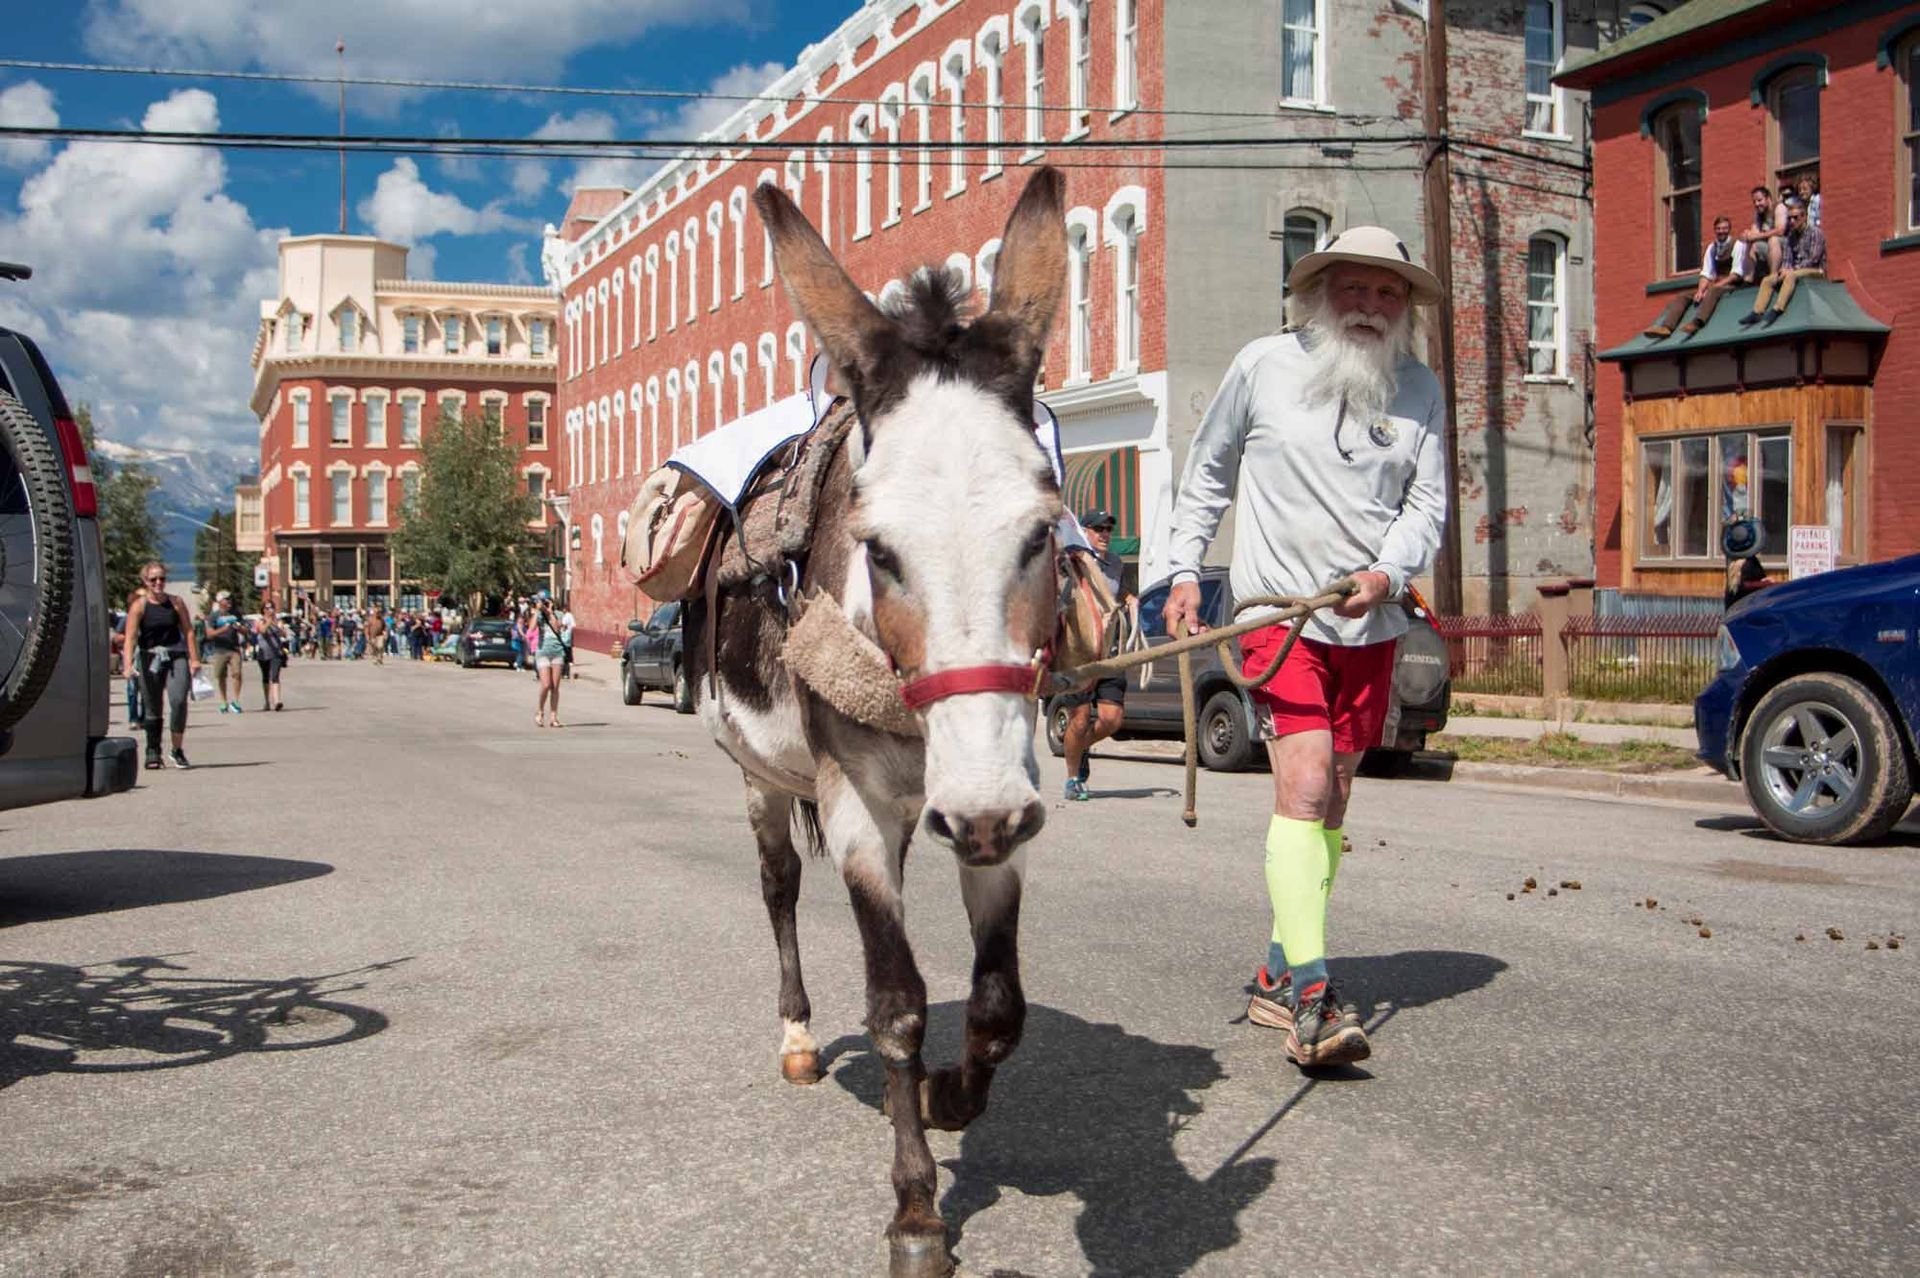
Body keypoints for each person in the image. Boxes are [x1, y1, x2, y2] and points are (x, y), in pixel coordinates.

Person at [1164, 227, 1447, 1069]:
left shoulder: (1420, 388)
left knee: (1336, 798)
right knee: (1309, 780)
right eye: (1354, 289)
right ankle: (1311, 1000)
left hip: (1371, 623)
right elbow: (1208, 472)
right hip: (1275, 617)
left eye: (1387, 293)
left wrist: (1390, 575)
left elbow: (1426, 507)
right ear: (1320, 295)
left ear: (1403, 308)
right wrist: (1183, 569)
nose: (1370, 306)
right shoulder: (1262, 365)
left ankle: (1275, 968)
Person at [1062, 510, 1132, 801]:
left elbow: (1118, 593)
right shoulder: (1075, 561)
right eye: (1098, 528)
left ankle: (1079, 748)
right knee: (1078, 720)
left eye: (1108, 529)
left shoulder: (1115, 564)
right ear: (1086, 532)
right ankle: (1072, 777)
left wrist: (1130, 598)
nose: (1105, 534)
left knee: (1112, 719)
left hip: (1110, 651)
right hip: (1079, 652)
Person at [121, 561, 202, 769]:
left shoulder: (176, 602)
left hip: (176, 655)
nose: (158, 583)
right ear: (146, 581)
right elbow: (130, 638)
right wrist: (127, 665)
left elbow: (189, 631)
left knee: (178, 700)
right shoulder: (139, 606)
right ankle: (153, 750)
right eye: (153, 579)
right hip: (149, 657)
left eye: (162, 579)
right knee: (153, 706)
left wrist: (194, 659)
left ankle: (177, 749)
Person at [1644, 216, 1741, 338]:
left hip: (1731, 285)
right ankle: (1667, 327)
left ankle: (1697, 322)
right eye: (1718, 229)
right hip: (1716, 284)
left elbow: (1736, 275)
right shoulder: (1712, 248)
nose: (1721, 231)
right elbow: (1706, 274)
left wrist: (1714, 286)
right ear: (1715, 230)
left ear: (1729, 229)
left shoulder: (1737, 245)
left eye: (1724, 228)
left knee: (1713, 290)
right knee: (1684, 295)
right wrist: (1700, 291)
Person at [1746, 196, 1826, 321]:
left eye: (1796, 217)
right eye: (1790, 218)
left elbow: (1814, 258)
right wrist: (1784, 269)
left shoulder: (1815, 232)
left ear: (1804, 217)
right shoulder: (1791, 236)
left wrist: (1792, 269)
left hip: (1816, 270)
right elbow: (1787, 258)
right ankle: (1757, 312)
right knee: (1768, 279)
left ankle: (1778, 308)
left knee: (1791, 275)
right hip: (1796, 270)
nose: (1792, 221)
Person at [202, 591, 247, 713]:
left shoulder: (236, 614)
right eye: (226, 599)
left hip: (234, 649)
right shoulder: (214, 616)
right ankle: (223, 701)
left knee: (237, 674)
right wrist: (223, 629)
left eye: (230, 599)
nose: (229, 601)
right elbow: (209, 634)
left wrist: (240, 628)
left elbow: (245, 630)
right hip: (219, 649)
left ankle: (236, 701)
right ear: (220, 602)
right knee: (221, 676)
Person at [532, 593, 571, 727]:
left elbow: (557, 628)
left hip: (557, 652)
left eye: (547, 601)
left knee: (555, 686)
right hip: (543, 652)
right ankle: (540, 711)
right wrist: (537, 611)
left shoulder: (558, 614)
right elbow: (531, 628)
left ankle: (554, 716)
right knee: (546, 684)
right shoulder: (538, 615)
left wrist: (550, 613)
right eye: (544, 602)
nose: (545, 604)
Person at [1737, 184, 1785, 284]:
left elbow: (1781, 230)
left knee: (1773, 239)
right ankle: (1748, 279)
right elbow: (1754, 233)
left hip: (1785, 247)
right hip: (1769, 250)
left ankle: (1773, 275)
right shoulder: (1758, 214)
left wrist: (1757, 235)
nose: (1757, 204)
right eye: (1754, 202)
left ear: (1768, 198)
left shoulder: (1779, 207)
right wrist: (1747, 235)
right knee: (1753, 245)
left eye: (1759, 200)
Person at [253, 601, 288, 710]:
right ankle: (267, 701)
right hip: (263, 653)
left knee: (275, 676)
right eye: (267, 608)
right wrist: (268, 622)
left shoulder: (278, 621)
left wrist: (275, 624)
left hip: (276, 653)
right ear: (263, 610)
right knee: (265, 677)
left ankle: (277, 701)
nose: (270, 610)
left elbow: (284, 634)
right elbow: (262, 630)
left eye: (271, 608)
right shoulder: (259, 621)